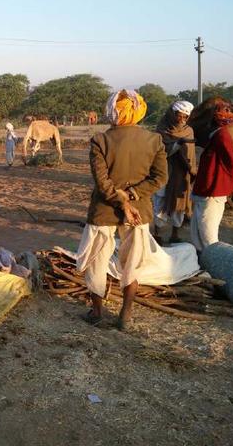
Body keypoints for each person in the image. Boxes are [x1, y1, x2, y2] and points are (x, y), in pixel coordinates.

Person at [75, 90, 167, 330]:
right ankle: (125, 315)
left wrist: (121, 202)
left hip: (104, 210)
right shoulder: (154, 140)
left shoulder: (100, 141)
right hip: (138, 212)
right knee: (133, 262)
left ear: (111, 111)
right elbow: (160, 178)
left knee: (96, 261)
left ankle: (97, 312)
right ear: (138, 110)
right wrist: (132, 198)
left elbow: (102, 183)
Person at [190, 100, 233, 252]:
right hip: (208, 187)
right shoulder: (217, 134)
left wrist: (223, 183)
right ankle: (202, 258)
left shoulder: (222, 136)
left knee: (207, 230)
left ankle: (213, 259)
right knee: (198, 226)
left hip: (213, 188)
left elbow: (231, 162)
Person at [152, 101, 196, 244]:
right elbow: (159, 152)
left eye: (185, 117)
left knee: (180, 204)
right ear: (173, 114)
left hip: (181, 173)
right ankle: (157, 233)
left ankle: (175, 234)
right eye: (179, 116)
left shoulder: (189, 130)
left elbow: (191, 154)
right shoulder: (161, 129)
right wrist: (177, 144)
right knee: (160, 200)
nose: (182, 120)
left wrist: (191, 169)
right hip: (164, 170)